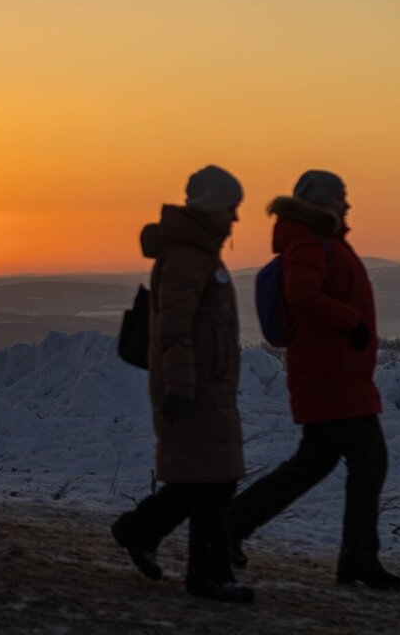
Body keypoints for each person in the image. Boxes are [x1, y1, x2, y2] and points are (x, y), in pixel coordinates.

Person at [226, 171, 400, 591]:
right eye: (342, 197)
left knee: (312, 464)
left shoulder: (320, 240)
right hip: (331, 376)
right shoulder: (309, 242)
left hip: (335, 374)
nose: (348, 205)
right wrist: (352, 322)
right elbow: (302, 294)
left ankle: (228, 527)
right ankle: (358, 560)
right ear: (323, 202)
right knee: (369, 460)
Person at [110, 165, 253, 603]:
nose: (235, 219)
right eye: (231, 208)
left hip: (205, 386)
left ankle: (139, 530)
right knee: (215, 481)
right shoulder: (188, 258)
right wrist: (181, 387)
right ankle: (208, 576)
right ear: (211, 209)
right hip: (193, 389)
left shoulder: (201, 255)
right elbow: (174, 330)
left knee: (201, 478)